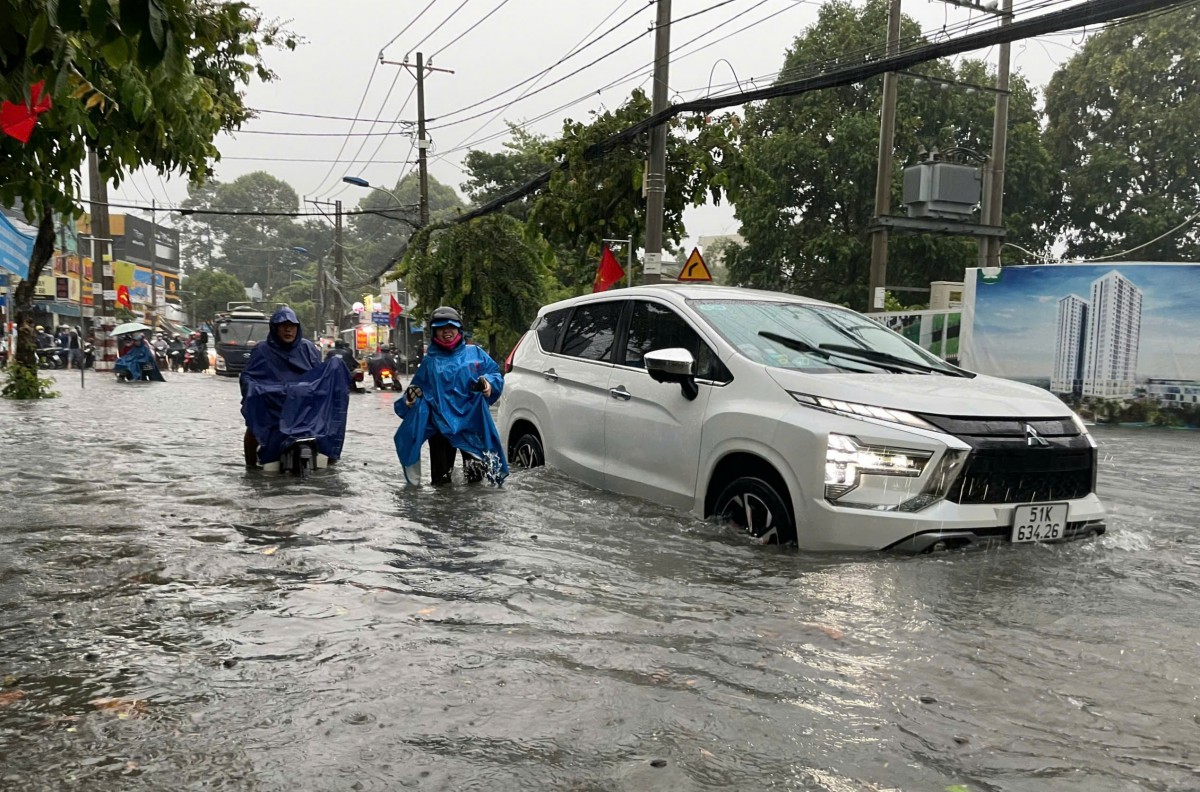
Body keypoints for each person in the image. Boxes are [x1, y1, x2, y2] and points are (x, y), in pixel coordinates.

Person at [393, 306, 508, 485]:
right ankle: (442, 513)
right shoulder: (429, 362)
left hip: (472, 425)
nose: (446, 331)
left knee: (477, 481)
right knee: (441, 482)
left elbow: (495, 374)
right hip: (440, 428)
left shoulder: (475, 354)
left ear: (459, 329)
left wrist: (488, 383)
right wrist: (407, 401)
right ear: (434, 332)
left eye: (451, 326)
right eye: (440, 328)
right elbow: (416, 389)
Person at [240, 305, 350, 468]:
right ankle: (250, 467)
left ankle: (330, 459)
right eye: (283, 326)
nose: (288, 330)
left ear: (297, 328)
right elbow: (248, 376)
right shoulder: (262, 349)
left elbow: (319, 375)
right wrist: (254, 389)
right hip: (273, 403)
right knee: (253, 428)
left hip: (303, 404)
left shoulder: (307, 348)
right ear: (275, 328)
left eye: (291, 326)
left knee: (328, 425)